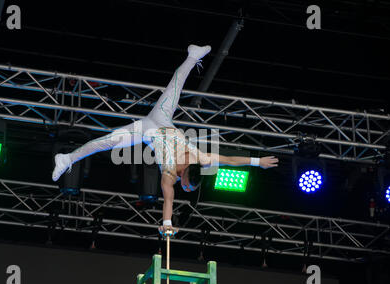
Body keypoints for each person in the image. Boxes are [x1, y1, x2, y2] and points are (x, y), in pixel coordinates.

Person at [52, 44, 279, 234]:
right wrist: (258, 162)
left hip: (145, 131)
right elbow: (230, 160)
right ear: (187, 172)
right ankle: (193, 55)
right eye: (188, 186)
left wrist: (167, 224)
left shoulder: (170, 175)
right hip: (163, 118)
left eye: (187, 189)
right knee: (175, 87)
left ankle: (67, 158)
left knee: (107, 142)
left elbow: (168, 200)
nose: (185, 189)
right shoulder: (203, 159)